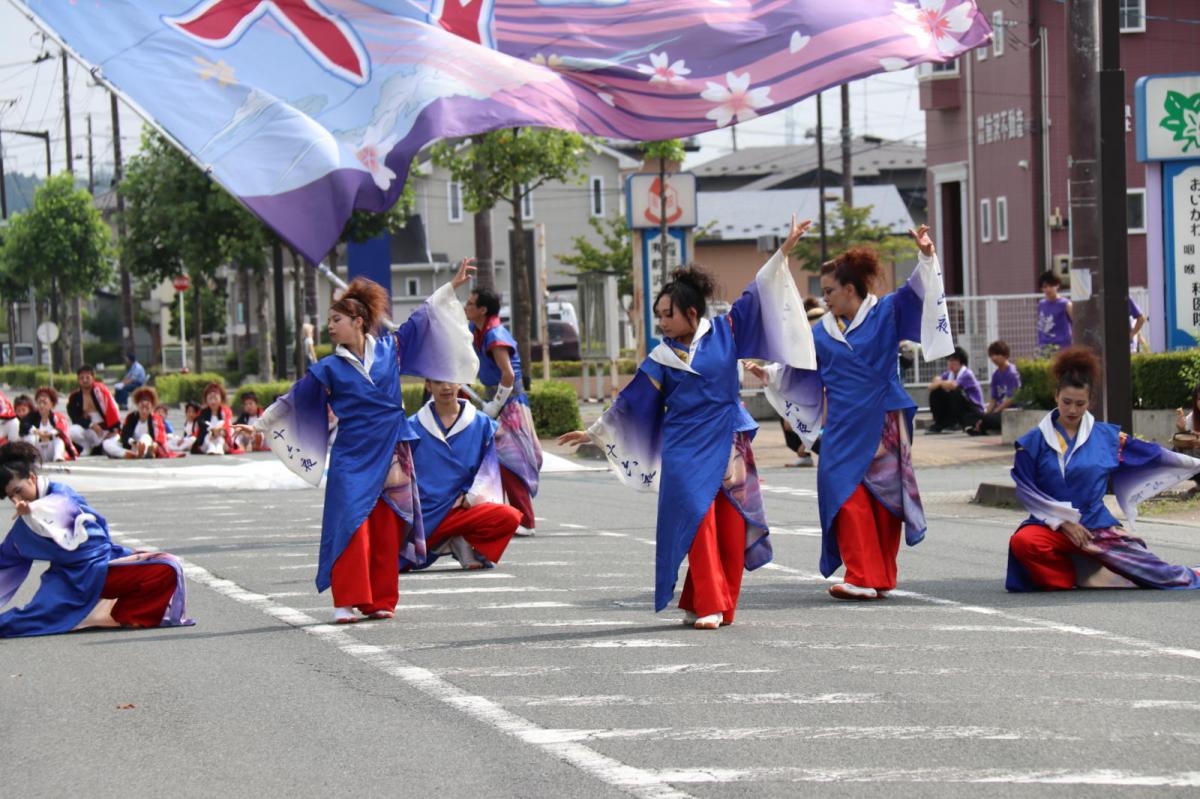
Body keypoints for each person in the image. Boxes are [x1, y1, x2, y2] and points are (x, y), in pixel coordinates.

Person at [559, 216, 816, 629]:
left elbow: (760, 289)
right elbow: (632, 401)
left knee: (729, 526)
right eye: (659, 314)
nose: (661, 322)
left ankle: (711, 601)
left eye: (667, 314)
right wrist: (594, 430)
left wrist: (784, 249)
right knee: (696, 522)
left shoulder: (727, 330)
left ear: (691, 313)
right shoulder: (660, 358)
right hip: (682, 448)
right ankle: (711, 603)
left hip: (728, 440)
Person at [234, 261, 478, 624]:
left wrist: (449, 288)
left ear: (359, 321)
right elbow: (295, 398)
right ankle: (346, 600)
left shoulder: (390, 349)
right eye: (330, 321)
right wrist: (259, 425)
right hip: (351, 453)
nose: (330, 326)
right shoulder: (330, 368)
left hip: (393, 447)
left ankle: (380, 598)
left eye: (336, 320)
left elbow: (422, 318)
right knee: (350, 523)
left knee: (387, 524)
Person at [757, 224, 955, 601]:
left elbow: (917, 292)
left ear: (851, 289)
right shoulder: (821, 332)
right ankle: (865, 573)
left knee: (884, 499)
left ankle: (873, 575)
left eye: (829, 290)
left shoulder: (887, 313)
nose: (824, 297)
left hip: (883, 418)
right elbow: (801, 368)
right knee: (842, 491)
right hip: (845, 423)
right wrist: (768, 373)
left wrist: (927, 257)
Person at [1006, 348, 1200, 592]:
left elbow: (1150, 455)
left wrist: (1194, 462)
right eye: (1066, 402)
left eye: (1080, 403)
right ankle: (1074, 575)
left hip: (1095, 527)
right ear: (1056, 396)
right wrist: (1064, 522)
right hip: (1050, 526)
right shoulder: (1032, 442)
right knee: (1024, 542)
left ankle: (1193, 573)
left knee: (1161, 575)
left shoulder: (1107, 437)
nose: (1073, 410)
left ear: (1090, 402)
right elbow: (1027, 491)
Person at [0, 441, 192, 637]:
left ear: (32, 478)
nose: (16, 500)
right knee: (27, 620)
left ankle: (128, 616)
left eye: (18, 491)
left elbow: (62, 507)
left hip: (103, 565)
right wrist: (31, 512)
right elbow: (4, 559)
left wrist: (34, 509)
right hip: (69, 582)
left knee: (167, 566)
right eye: (10, 497)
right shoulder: (25, 524)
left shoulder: (60, 493)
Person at [407, 379, 521, 570]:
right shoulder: (412, 426)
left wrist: (472, 497)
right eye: (438, 382)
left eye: (451, 381)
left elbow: (489, 468)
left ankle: (462, 539)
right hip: (423, 517)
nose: (446, 387)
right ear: (428, 386)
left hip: (462, 510)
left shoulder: (481, 423)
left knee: (509, 517)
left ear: (460, 384)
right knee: (397, 563)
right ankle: (451, 541)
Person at [463, 286, 543, 536]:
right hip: (495, 401)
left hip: (510, 403)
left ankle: (525, 520)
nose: (466, 307)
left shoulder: (495, 334)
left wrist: (496, 404)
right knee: (493, 461)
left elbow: (507, 375)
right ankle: (507, 516)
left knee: (511, 462)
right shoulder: (476, 330)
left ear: (482, 310)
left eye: (470, 303)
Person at [104, 387, 178, 460]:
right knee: (107, 443)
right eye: (142, 406)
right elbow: (124, 435)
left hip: (147, 445)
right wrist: (133, 442)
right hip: (131, 447)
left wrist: (154, 446)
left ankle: (141, 453)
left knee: (145, 436)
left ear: (151, 407)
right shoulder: (131, 417)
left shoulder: (156, 419)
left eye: (147, 407)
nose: (144, 410)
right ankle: (126, 454)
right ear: (137, 405)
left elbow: (160, 437)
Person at [967, 340, 1022, 436]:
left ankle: (982, 427)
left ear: (1005, 355)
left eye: (997, 354)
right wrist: (986, 414)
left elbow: (1010, 399)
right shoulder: (996, 375)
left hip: (1010, 411)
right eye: (991, 355)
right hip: (998, 410)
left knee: (991, 418)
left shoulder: (1012, 373)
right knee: (979, 416)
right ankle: (982, 426)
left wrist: (994, 413)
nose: (993, 358)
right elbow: (994, 400)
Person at [926, 346, 984, 434]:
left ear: (962, 362)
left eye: (954, 360)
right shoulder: (950, 374)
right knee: (936, 392)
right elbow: (932, 385)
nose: (950, 363)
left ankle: (959, 423)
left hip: (974, 412)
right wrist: (939, 383)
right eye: (949, 360)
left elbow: (953, 385)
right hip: (962, 409)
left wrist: (940, 383)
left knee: (955, 391)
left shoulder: (967, 374)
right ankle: (941, 423)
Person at [66, 364, 122, 456]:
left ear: (93, 378)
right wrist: (91, 425)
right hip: (89, 430)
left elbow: (113, 409)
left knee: (110, 447)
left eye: (87, 377)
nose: (84, 380)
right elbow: (75, 418)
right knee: (71, 431)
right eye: (81, 378)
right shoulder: (74, 397)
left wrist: (115, 429)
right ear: (78, 380)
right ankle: (86, 447)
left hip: (105, 430)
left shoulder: (101, 392)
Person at [20, 387, 77, 463]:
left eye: (44, 403)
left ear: (52, 404)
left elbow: (61, 428)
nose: (41, 405)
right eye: (39, 402)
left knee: (59, 440)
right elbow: (24, 425)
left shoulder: (57, 417)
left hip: (50, 447)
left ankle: (58, 457)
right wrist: (37, 431)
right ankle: (31, 459)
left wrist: (49, 434)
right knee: (30, 438)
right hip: (38, 450)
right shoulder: (32, 416)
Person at [191, 383, 240, 455]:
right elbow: (201, 424)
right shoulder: (202, 412)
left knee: (221, 432)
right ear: (206, 399)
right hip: (207, 439)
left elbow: (227, 424)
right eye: (210, 398)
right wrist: (212, 430)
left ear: (221, 398)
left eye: (215, 398)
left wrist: (220, 430)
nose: (213, 401)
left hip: (222, 437)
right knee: (208, 437)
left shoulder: (225, 411)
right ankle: (211, 447)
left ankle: (219, 447)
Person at [1036, 271, 1072, 356]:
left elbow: (1077, 325)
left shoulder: (1066, 304)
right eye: (1045, 286)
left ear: (1057, 285)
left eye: (1051, 286)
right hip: (1043, 348)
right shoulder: (1041, 304)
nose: (1048, 289)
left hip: (1062, 349)